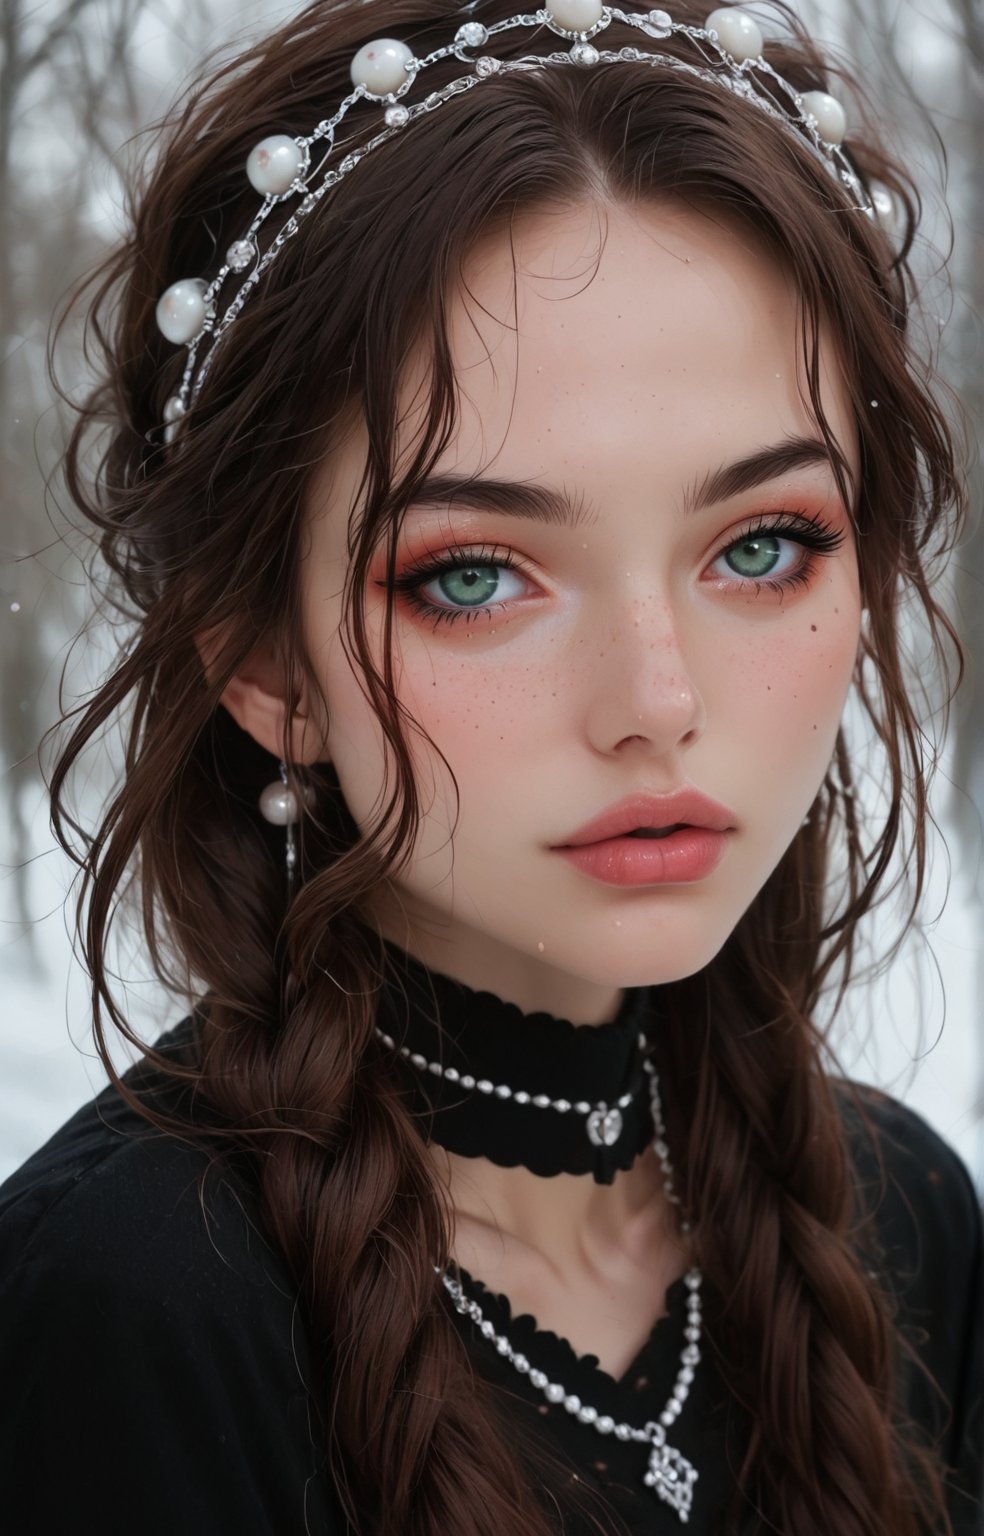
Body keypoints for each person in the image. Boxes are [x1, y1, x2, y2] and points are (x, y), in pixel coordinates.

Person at [0, 0, 980, 1531]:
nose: (657, 701)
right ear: (260, 657)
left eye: (763, 544)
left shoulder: (909, 1220)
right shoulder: (121, 1311)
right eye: (473, 575)